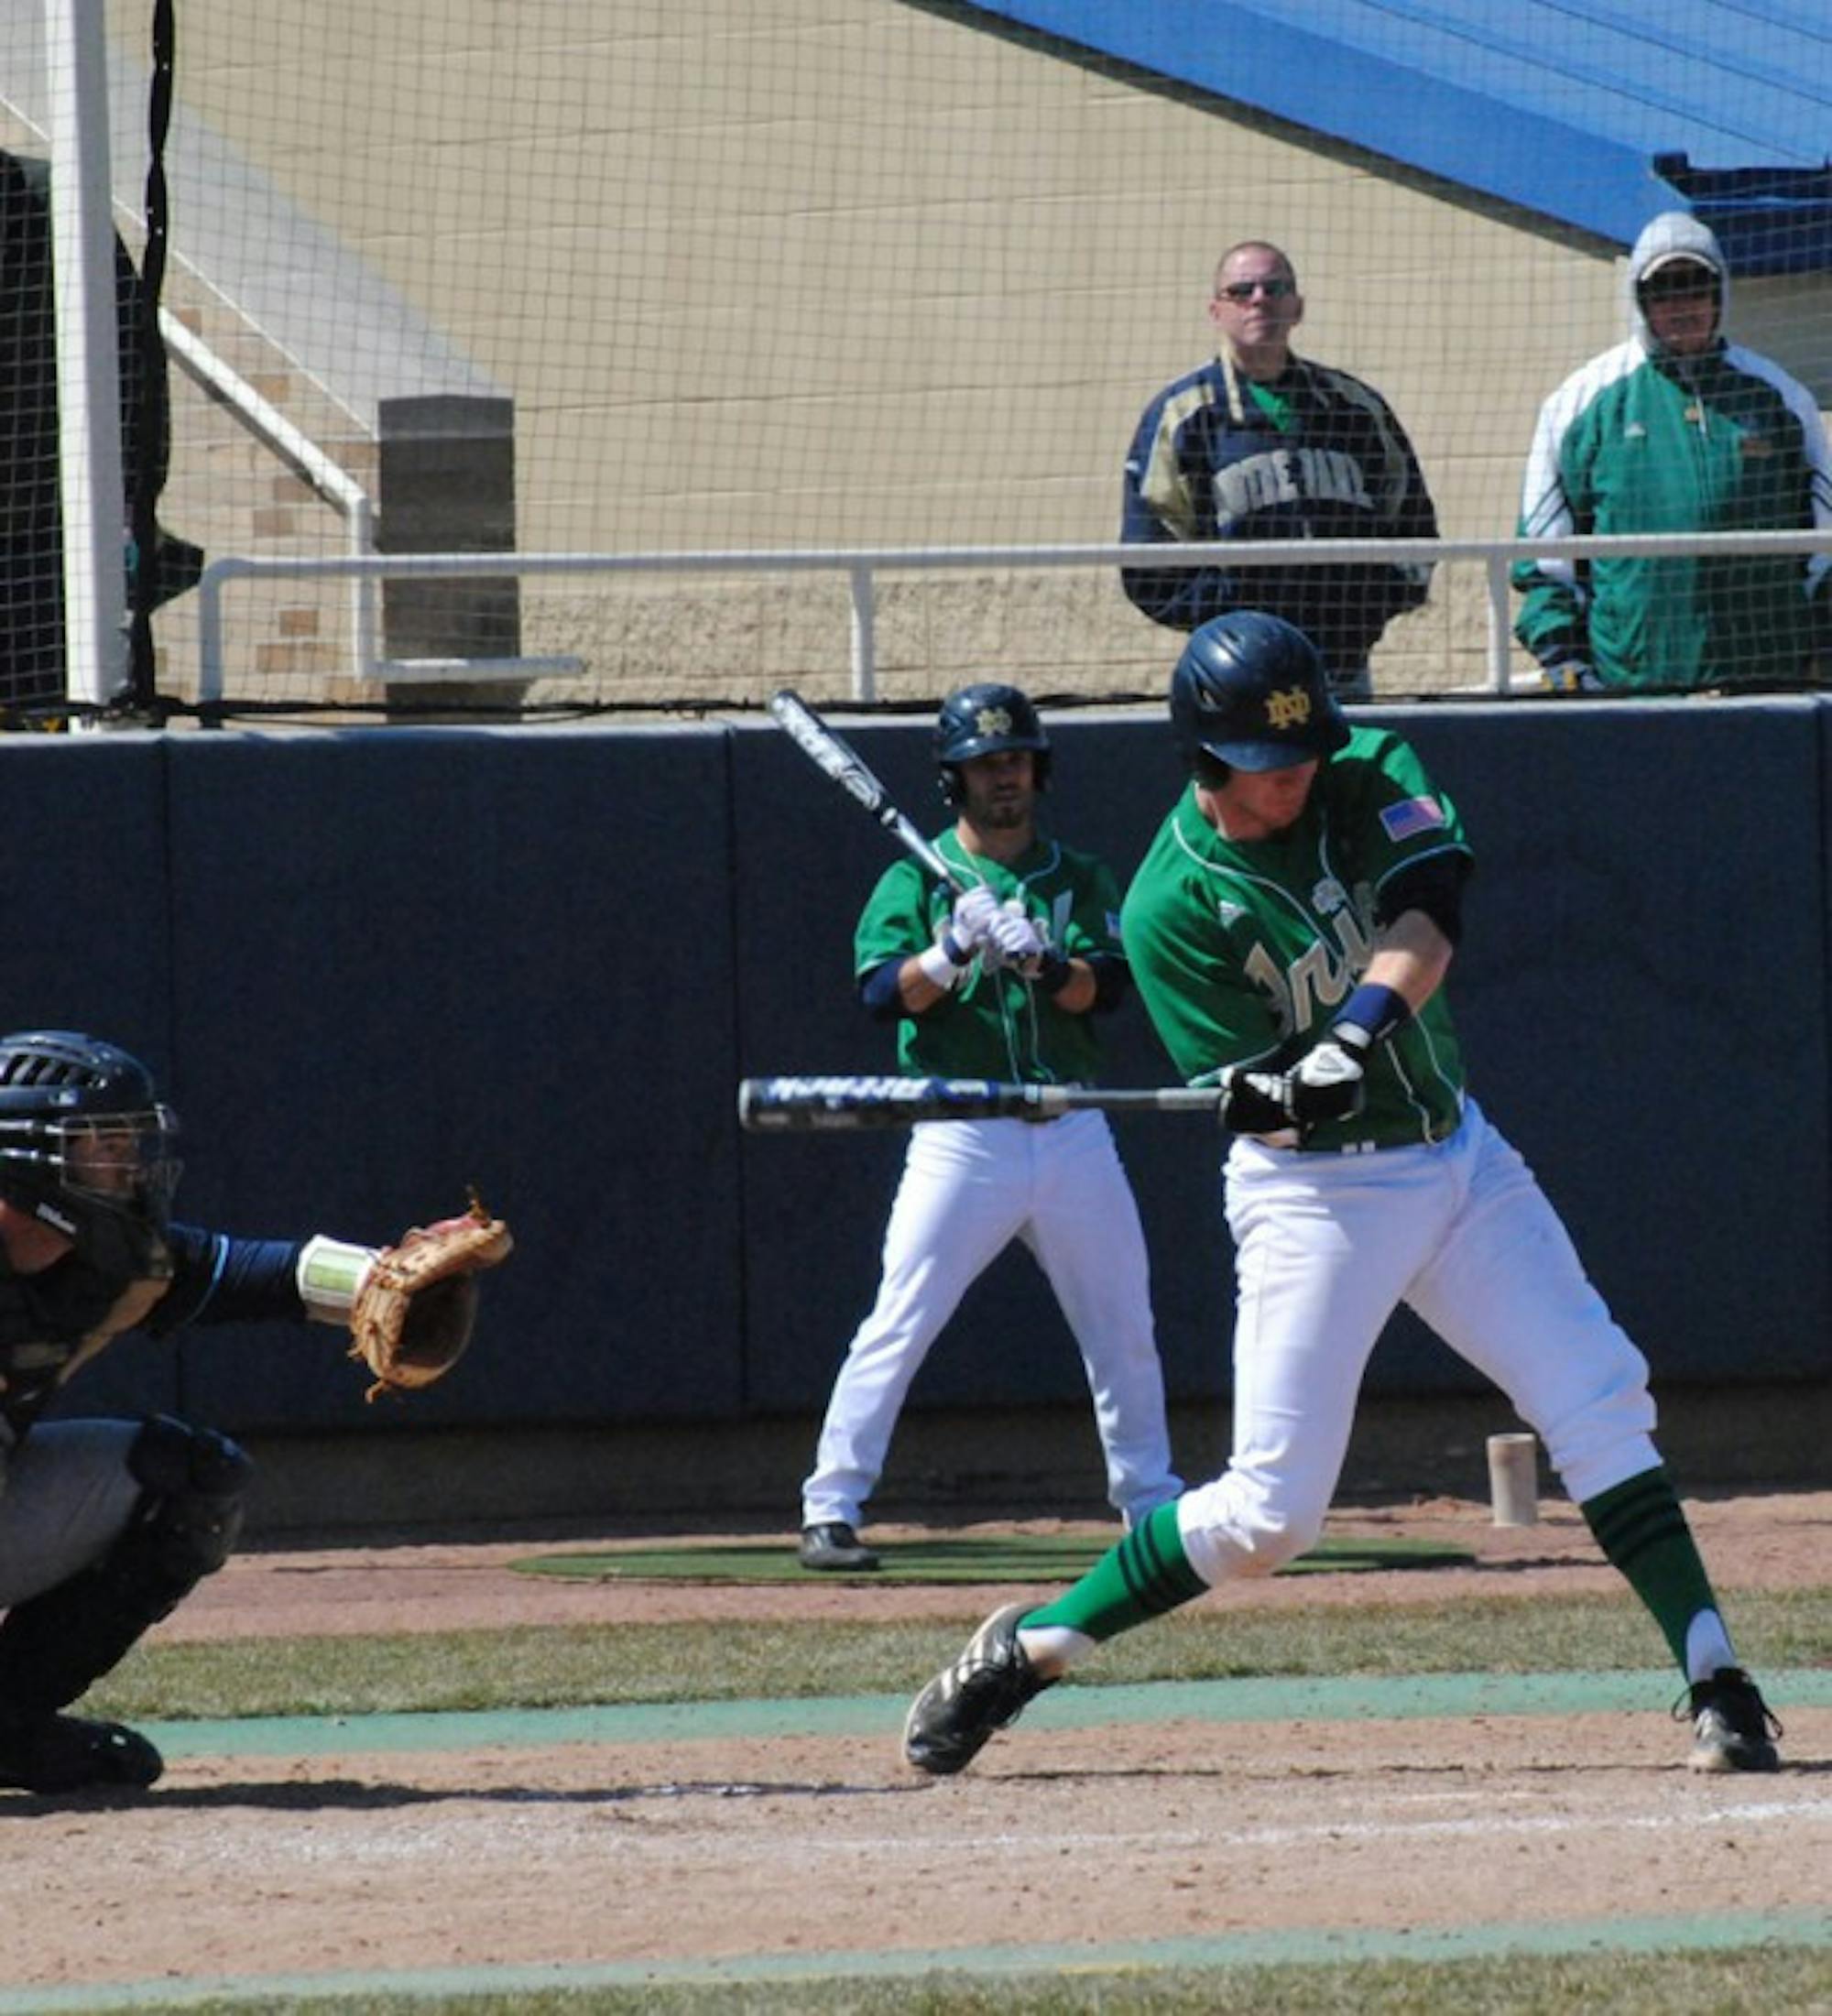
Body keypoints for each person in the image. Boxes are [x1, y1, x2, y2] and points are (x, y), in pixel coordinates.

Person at [901, 613, 1782, 1777]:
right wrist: (1281, 1091)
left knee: (1597, 1396)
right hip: (1314, 1197)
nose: (1297, 774)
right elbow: (1260, 1109)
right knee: (1270, 1514)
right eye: (1270, 767)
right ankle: (1031, 1649)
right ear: (1205, 764)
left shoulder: (1363, 771)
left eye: (1304, 747)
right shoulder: (1170, 907)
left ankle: (1715, 1672)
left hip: (1453, 1153)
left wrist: (1352, 1035)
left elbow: (1427, 914)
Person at [0, 1029, 490, 1794]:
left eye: (130, 1142)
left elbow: (255, 1273)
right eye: (100, 1144)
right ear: (22, 1160)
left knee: (187, 1480)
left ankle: (9, 1724)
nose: (128, 1166)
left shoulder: (110, 1261)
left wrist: (375, 1277)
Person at [798, 683, 1183, 1572]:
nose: (1002, 777)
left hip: (1070, 1124)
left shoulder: (1077, 876)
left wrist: (1047, 963)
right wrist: (952, 949)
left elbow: (1107, 988)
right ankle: (830, 1505)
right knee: (900, 1315)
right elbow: (878, 993)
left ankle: (1149, 1505)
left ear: (1036, 768)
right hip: (960, 1129)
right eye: (983, 764)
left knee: (1122, 1320)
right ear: (954, 779)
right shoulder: (911, 877)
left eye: (1013, 759)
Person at [1513, 209, 1832, 692]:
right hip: (1633, 687)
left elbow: (1825, 542)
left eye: (1695, 286)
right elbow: (1543, 559)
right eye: (1663, 290)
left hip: (1769, 682)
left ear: (1719, 291)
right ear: (1640, 299)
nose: (1681, 305)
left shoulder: (1781, 398)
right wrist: (1564, 657)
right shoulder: (1578, 406)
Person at [1118, 239, 1437, 703]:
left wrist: (1366, 609)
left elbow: (1412, 522)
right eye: (1241, 290)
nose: (1259, 300)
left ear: (1298, 306)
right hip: (1238, 676)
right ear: (1215, 310)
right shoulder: (1183, 417)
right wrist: (1231, 622)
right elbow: (1148, 561)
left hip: (1343, 670)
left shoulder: (1353, 408)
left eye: (1276, 287)